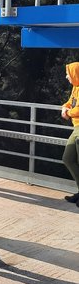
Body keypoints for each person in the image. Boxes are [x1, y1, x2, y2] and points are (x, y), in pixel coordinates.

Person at [60, 62, 79, 206]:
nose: (67, 77)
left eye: (68, 74)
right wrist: (64, 108)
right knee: (68, 158)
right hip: (76, 128)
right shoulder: (75, 87)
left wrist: (68, 113)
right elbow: (69, 103)